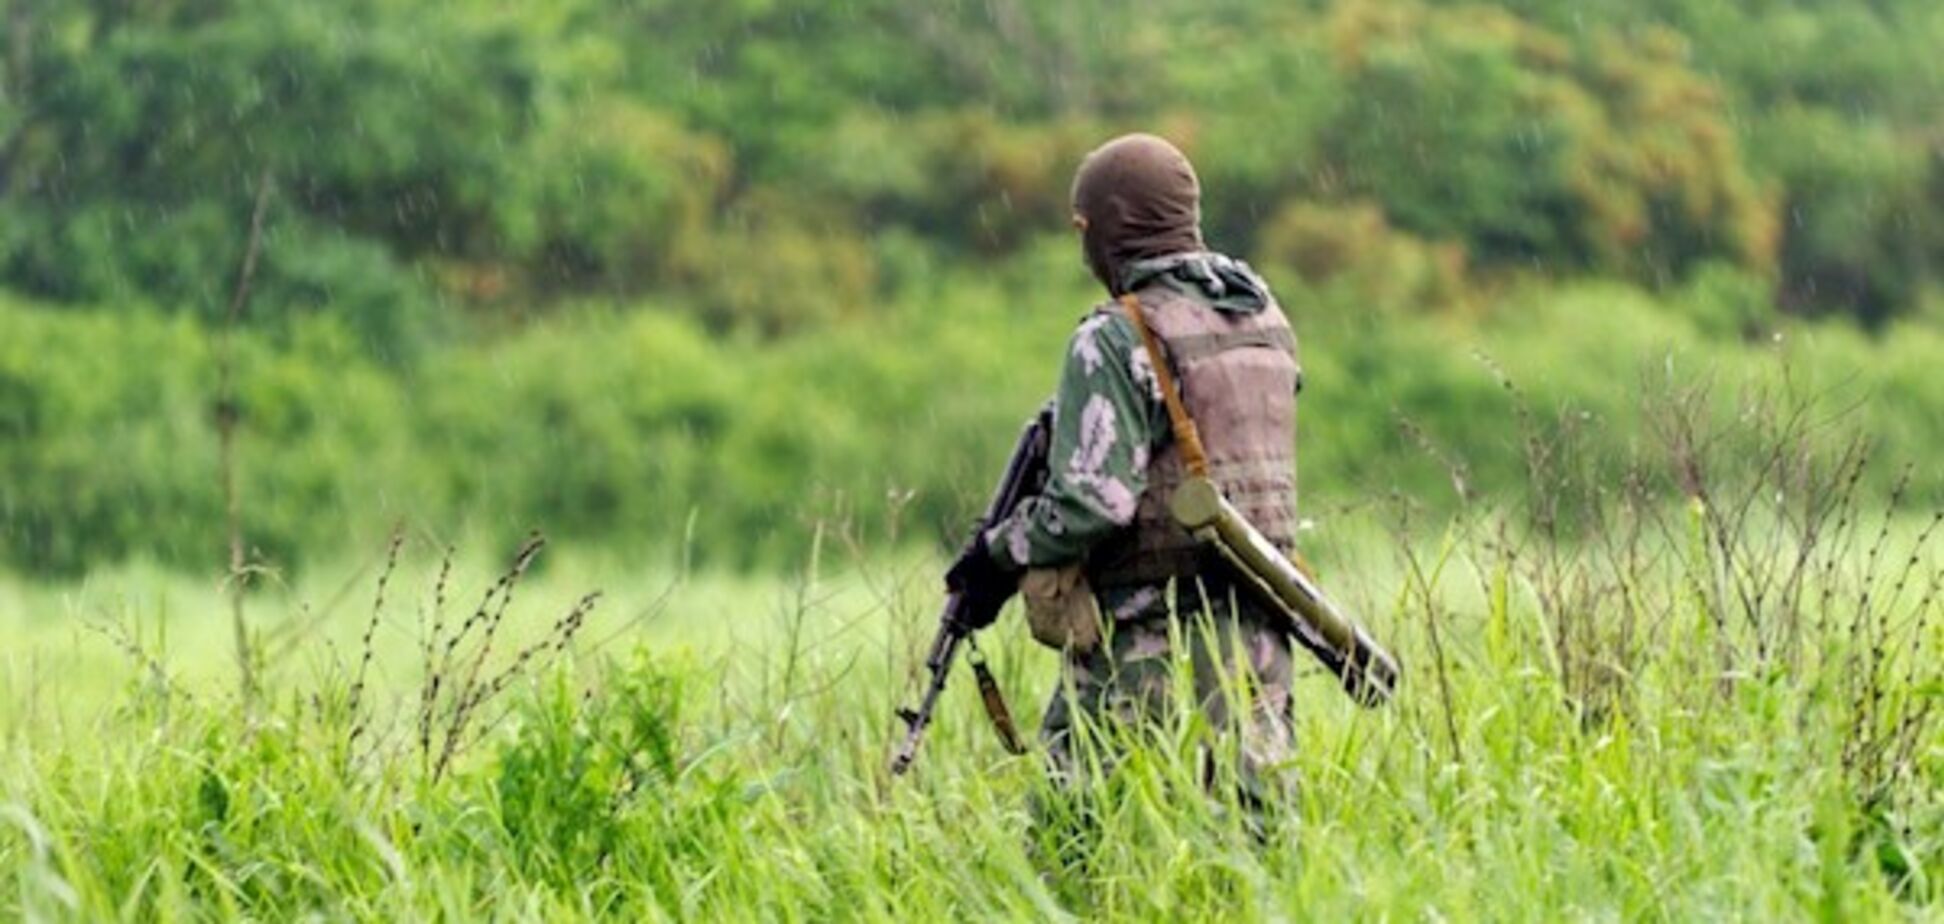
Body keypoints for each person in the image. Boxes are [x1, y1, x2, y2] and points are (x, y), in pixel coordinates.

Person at [945, 133, 1303, 803]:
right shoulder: (1262, 318)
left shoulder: (1114, 336)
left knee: (1076, 859)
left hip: (1146, 645)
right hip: (1260, 642)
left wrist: (998, 551)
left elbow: (1093, 502)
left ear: (1101, 230)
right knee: (1248, 864)